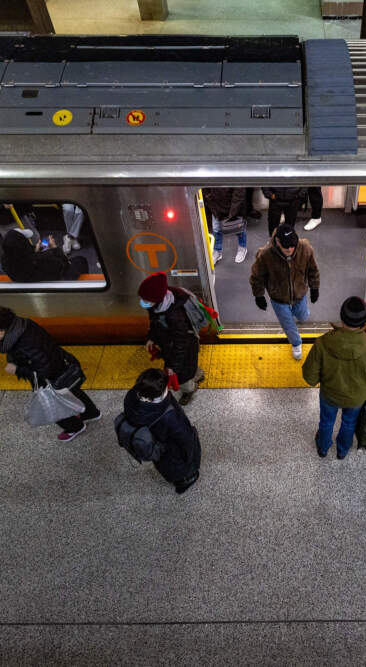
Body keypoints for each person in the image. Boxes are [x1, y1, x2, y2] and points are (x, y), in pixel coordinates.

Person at [0, 306, 100, 441]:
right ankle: (91, 413)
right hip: (62, 364)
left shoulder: (23, 344)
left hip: (49, 378)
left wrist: (17, 370)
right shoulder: (24, 324)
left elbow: (43, 370)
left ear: (5, 328)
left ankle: (75, 427)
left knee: (52, 405)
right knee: (72, 390)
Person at [302, 296, 366, 460]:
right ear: (364, 320)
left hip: (329, 395)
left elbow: (309, 377)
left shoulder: (323, 343)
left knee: (326, 422)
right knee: (349, 423)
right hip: (356, 398)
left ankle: (323, 448)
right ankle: (342, 451)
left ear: (342, 317)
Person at [120, 368, 201, 494]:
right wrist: (192, 457)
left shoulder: (131, 396)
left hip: (155, 447)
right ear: (160, 392)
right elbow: (186, 440)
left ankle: (173, 477)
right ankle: (184, 481)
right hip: (172, 450)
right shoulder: (170, 416)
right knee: (181, 466)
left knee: (164, 464)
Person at [249, 224, 320, 360]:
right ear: (277, 241)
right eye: (286, 246)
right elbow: (256, 277)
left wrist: (314, 287)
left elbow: (313, 270)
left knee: (302, 315)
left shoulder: (305, 249)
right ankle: (296, 343)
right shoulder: (265, 255)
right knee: (287, 323)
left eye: (293, 245)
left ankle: (299, 313)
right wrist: (259, 295)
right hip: (278, 297)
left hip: (300, 293)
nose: (290, 249)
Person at [139, 271, 204, 405]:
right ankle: (198, 374)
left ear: (156, 298)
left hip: (184, 349)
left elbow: (181, 345)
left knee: (182, 377)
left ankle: (189, 390)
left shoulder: (175, 316)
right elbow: (154, 323)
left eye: (146, 300)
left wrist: (173, 367)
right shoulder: (157, 305)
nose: (143, 302)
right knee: (189, 368)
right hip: (170, 345)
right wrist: (151, 338)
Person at [1, 228, 87, 282]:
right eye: (26, 240)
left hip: (30, 282)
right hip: (58, 281)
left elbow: (25, 258)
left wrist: (35, 251)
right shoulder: (44, 258)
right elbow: (65, 264)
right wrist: (55, 248)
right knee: (80, 260)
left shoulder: (5, 262)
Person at [203, 187, 248, 264]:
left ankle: (242, 248)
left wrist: (232, 214)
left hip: (234, 206)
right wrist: (210, 200)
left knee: (239, 228)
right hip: (216, 206)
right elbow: (206, 189)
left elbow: (239, 193)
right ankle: (217, 251)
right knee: (216, 229)